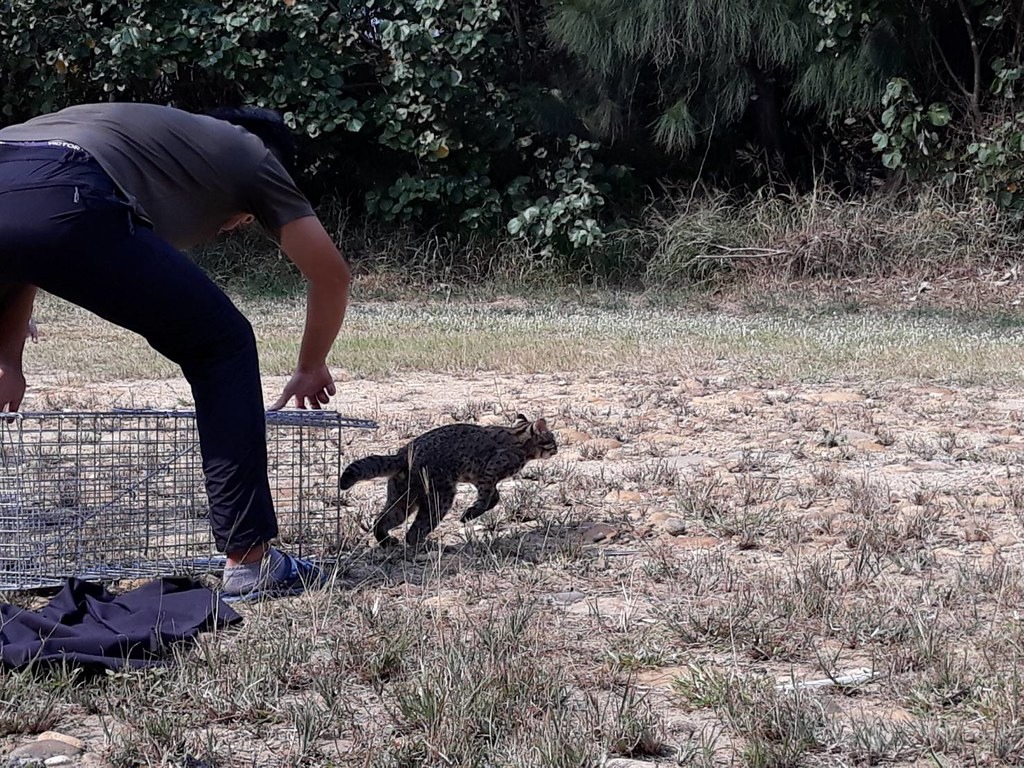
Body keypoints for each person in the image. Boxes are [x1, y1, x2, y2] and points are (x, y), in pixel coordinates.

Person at [0, 103, 351, 600]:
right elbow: (330, 273)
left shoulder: (142, 139)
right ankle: (250, 562)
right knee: (221, 345)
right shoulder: (252, 153)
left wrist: (7, 361)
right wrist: (312, 363)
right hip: (70, 187)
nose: (239, 225)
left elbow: (26, 226)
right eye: (249, 218)